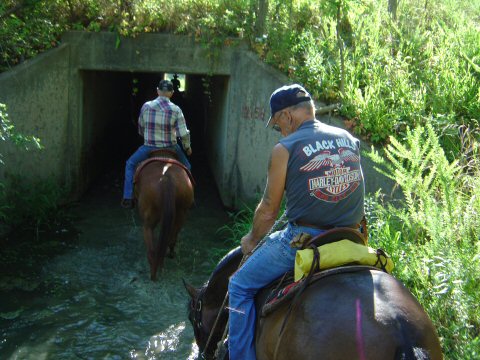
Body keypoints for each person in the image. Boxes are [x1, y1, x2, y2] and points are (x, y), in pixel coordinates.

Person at [227, 84, 365, 359]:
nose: (279, 131)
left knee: (238, 286)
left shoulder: (285, 148)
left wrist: (252, 240)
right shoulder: (349, 139)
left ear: (287, 117)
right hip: (352, 237)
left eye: (277, 125)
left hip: (303, 239)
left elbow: (268, 210)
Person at [121, 79, 192, 209]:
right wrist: (187, 148)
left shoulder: (146, 106)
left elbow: (141, 128)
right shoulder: (176, 109)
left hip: (149, 147)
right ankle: (190, 199)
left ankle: (128, 197)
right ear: (171, 93)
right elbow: (183, 133)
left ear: (158, 91)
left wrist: (148, 137)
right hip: (171, 148)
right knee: (187, 166)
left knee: (130, 164)